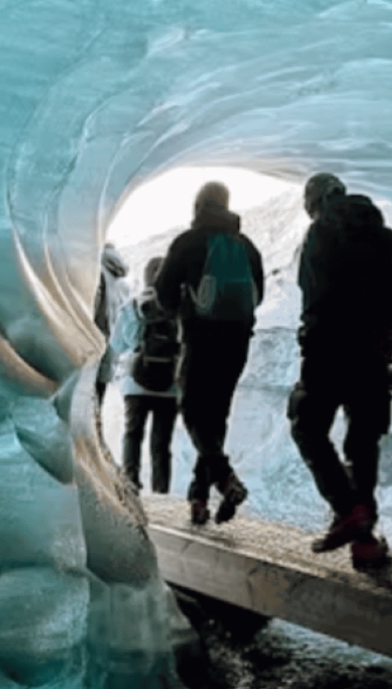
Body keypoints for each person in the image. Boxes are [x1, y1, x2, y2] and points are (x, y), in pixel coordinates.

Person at [290, 174, 392, 569]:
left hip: (329, 348)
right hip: (375, 354)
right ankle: (364, 542)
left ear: (315, 203)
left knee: (307, 426)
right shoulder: (388, 238)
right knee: (363, 443)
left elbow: (315, 296)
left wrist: (312, 340)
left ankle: (348, 509)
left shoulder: (319, 233)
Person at [151, 181, 265, 526]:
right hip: (238, 340)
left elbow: (163, 291)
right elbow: (257, 294)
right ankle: (199, 500)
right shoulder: (245, 245)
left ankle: (223, 477)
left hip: (201, 338)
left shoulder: (189, 241)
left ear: (198, 205)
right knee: (215, 417)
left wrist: (180, 311)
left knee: (192, 410)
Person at [115, 255, 181, 494]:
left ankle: (130, 481)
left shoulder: (133, 306)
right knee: (161, 444)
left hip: (136, 383)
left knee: (133, 433)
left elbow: (119, 344)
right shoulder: (178, 308)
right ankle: (160, 490)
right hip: (169, 385)